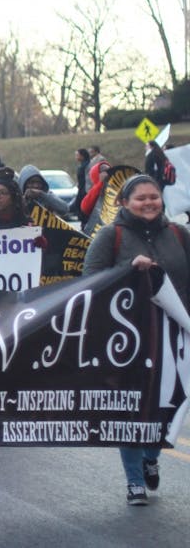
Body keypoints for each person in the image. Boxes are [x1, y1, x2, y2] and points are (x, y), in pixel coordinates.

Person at [83, 174, 190, 505]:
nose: (149, 203)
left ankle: (150, 458)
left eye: (154, 197)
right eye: (140, 198)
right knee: (130, 408)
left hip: (173, 336)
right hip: (127, 338)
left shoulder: (178, 234)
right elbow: (90, 282)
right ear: (124, 203)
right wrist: (130, 268)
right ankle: (134, 483)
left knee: (163, 406)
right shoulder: (109, 236)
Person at [71, 149, 90, 222]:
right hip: (81, 189)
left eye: (77, 155)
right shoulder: (82, 165)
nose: (76, 157)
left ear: (82, 156)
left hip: (84, 191)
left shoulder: (86, 166)